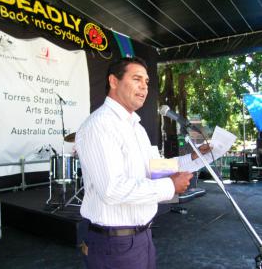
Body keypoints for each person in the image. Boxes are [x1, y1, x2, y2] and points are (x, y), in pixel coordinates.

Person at [75, 57, 210, 269]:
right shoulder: (100, 125)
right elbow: (112, 189)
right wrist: (170, 186)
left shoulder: (136, 127)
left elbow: (155, 168)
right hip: (114, 243)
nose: (144, 87)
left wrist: (195, 157)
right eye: (137, 79)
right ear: (113, 81)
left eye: (146, 82)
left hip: (142, 237)